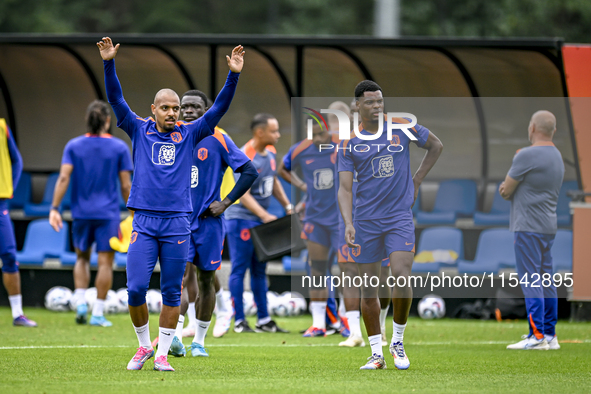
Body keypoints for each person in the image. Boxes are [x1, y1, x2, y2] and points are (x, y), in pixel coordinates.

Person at [96, 36, 244, 372]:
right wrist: (108, 63)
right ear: (154, 109)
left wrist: (233, 75)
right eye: (166, 107)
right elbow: (116, 98)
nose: (173, 113)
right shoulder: (138, 128)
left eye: (176, 108)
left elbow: (219, 108)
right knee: (135, 289)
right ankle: (143, 347)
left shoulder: (190, 133)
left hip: (178, 221)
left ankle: (162, 353)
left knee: (172, 292)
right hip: (145, 222)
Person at [338, 80, 443, 370]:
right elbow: (345, 189)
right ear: (357, 105)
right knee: (369, 288)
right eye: (370, 102)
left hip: (398, 217)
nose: (376, 106)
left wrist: (417, 180)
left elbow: (436, 145)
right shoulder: (348, 144)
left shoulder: (401, 126)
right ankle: (376, 354)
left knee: (400, 275)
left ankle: (397, 340)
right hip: (365, 221)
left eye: (380, 101)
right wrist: (348, 222)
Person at [174, 89, 257, 357]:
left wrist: (226, 202)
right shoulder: (170, 136)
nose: (188, 111)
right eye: (184, 107)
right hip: (178, 221)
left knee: (206, 280)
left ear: (206, 111)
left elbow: (249, 171)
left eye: (195, 107)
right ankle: (174, 336)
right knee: (180, 277)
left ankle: (199, 341)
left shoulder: (218, 137)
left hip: (209, 223)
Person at [49, 100, 132, 327]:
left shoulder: (73, 146)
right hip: (108, 214)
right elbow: (126, 186)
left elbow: (64, 178)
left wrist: (54, 208)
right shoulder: (119, 147)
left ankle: (81, 302)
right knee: (106, 262)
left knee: (82, 258)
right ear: (107, 121)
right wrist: (134, 212)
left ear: (87, 120)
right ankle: (97, 312)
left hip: (81, 213)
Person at [278, 121, 349, 338]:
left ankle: (346, 320)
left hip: (340, 218)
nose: (318, 139)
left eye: (322, 134)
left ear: (330, 131)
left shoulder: (342, 147)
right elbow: (282, 169)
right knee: (317, 270)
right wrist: (301, 186)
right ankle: (318, 324)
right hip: (315, 218)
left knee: (347, 270)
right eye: (314, 135)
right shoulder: (301, 149)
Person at [501, 110, 563, 351]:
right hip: (548, 226)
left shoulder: (526, 155)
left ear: (532, 128)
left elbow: (507, 190)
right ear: (553, 131)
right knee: (546, 278)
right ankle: (549, 334)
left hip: (527, 226)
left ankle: (536, 336)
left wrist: (504, 189)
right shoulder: (557, 155)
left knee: (530, 279)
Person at [224, 113, 291, 333]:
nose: (278, 135)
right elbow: (243, 194)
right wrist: (264, 215)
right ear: (259, 132)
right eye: (274, 131)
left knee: (260, 269)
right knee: (239, 269)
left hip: (259, 220)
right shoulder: (245, 155)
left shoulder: (270, 153)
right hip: (241, 219)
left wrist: (287, 206)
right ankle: (239, 321)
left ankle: (263, 320)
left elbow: (274, 182)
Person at [0, 118, 37, 327]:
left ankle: (17, 314)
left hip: (0, 203)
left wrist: (10, 187)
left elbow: (17, 161)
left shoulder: (2, 127)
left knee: (9, 255)